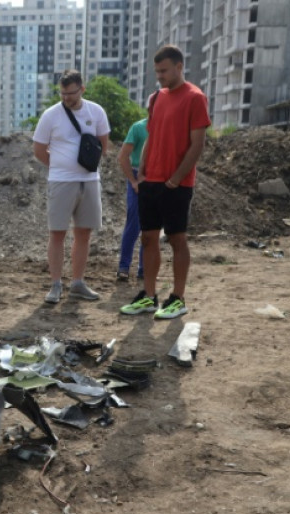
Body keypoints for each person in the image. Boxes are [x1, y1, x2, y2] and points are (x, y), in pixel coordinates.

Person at [120, 45, 211, 319]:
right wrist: (141, 174)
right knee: (148, 238)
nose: (159, 76)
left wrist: (176, 178)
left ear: (179, 67)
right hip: (151, 181)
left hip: (176, 184)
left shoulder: (195, 97)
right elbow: (151, 135)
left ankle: (178, 298)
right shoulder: (156, 98)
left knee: (176, 238)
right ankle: (149, 297)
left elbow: (198, 144)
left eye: (164, 71)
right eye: (156, 71)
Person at [32, 69, 111, 304]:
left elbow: (103, 145)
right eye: (63, 93)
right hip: (60, 181)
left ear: (82, 89)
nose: (66, 98)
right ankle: (55, 285)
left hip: (89, 181)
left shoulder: (95, 112)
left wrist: (85, 167)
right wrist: (58, 166)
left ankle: (77, 283)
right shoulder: (51, 115)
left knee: (83, 233)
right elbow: (38, 150)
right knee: (57, 233)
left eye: (71, 93)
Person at [115, 91, 157, 282]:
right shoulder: (139, 128)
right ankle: (124, 267)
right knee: (134, 224)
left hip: (157, 178)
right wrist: (133, 181)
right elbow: (122, 156)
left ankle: (144, 268)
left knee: (151, 226)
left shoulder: (166, 128)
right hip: (137, 177)